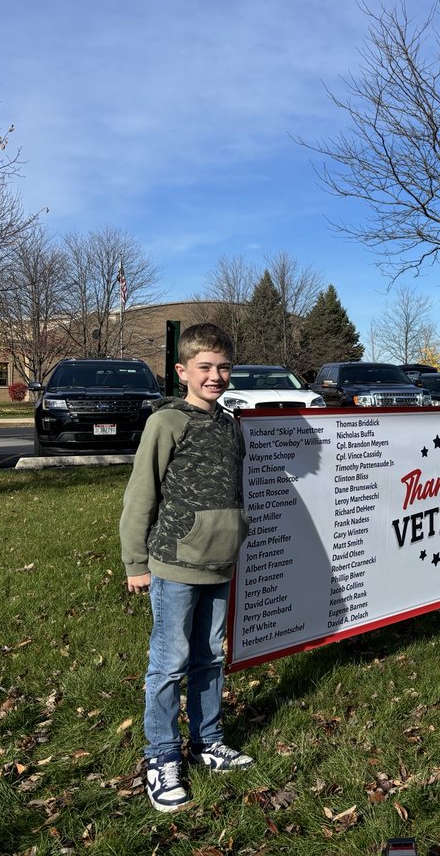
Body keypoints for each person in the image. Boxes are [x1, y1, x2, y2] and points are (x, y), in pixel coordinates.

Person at [120, 323, 253, 812]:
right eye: (205, 367)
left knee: (211, 658)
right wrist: (136, 562)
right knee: (169, 663)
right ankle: (161, 756)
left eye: (223, 367)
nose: (216, 375)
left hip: (221, 564)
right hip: (175, 565)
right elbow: (141, 495)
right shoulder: (168, 422)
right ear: (182, 371)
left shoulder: (229, 423)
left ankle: (207, 740)